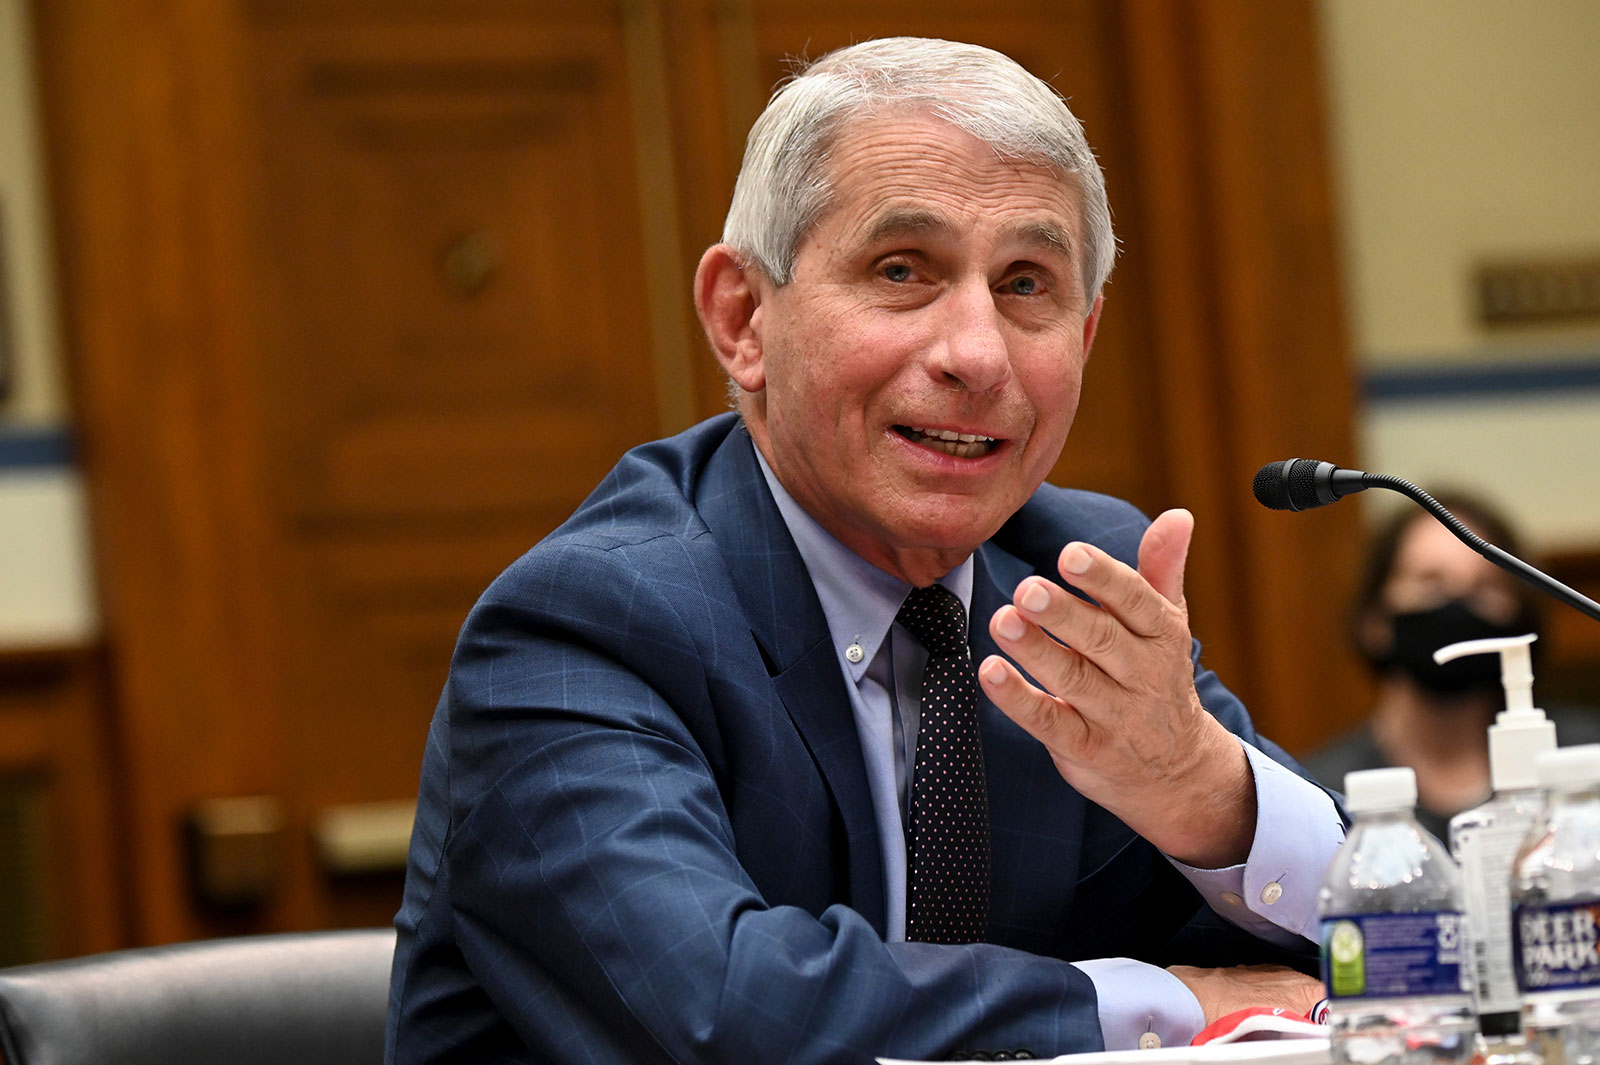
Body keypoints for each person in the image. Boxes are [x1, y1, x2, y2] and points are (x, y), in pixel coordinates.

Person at [386, 37, 1344, 1064]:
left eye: (1026, 285)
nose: (976, 355)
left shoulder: (1074, 576)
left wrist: (1201, 790)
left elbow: (1408, 939)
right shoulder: (587, 624)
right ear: (742, 318)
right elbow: (724, 1016)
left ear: (1086, 335)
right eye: (902, 271)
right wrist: (1162, 1007)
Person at [1304, 493, 1600, 842]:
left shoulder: (1588, 760)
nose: (1457, 605)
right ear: (1375, 619)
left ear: (1518, 617)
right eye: (1431, 583)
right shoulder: (1319, 796)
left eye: (1485, 588)